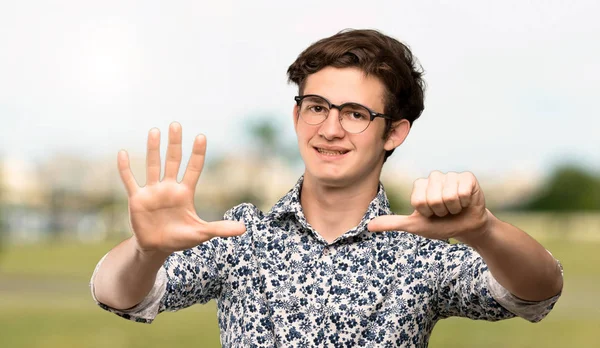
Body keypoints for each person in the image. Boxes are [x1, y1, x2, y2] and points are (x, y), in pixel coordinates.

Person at [90, 29, 563, 347]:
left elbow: (537, 292)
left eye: (355, 113)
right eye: (316, 106)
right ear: (297, 116)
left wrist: (484, 231)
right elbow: (119, 295)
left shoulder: (420, 250)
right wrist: (145, 251)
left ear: (394, 133)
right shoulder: (239, 236)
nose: (330, 129)